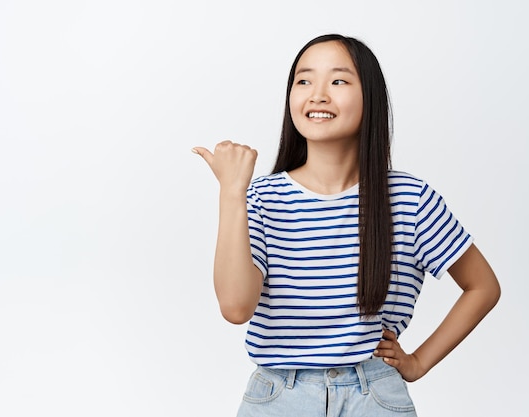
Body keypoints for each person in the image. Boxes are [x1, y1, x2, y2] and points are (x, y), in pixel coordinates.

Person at [192, 34, 500, 417]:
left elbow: (483, 286)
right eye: (304, 80)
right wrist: (232, 193)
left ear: (369, 97)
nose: (318, 94)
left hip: (374, 394)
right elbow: (236, 308)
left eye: (338, 81)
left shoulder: (409, 198)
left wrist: (419, 362)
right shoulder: (260, 197)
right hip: (278, 396)